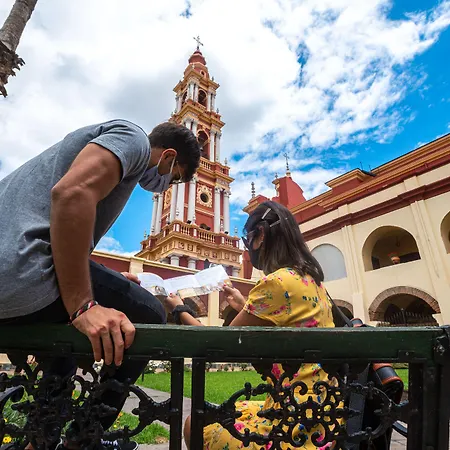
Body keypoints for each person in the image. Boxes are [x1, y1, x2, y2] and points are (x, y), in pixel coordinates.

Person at [0, 119, 201, 450]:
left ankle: (41, 440)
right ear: (167, 156)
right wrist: (84, 305)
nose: (166, 187)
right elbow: (71, 193)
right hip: (23, 269)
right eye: (174, 178)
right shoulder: (133, 139)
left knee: (64, 351)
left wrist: (111, 281)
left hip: (14, 276)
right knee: (150, 313)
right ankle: (84, 439)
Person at [165, 201, 335, 450]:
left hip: (293, 427)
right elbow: (283, 315)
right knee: (234, 409)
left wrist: (179, 309)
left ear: (261, 235)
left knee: (194, 424)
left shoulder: (276, 282)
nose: (248, 247)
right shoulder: (314, 282)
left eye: (248, 240)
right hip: (324, 413)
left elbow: (217, 345)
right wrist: (244, 304)